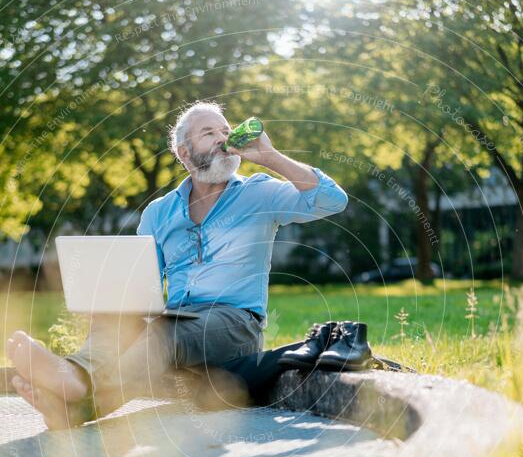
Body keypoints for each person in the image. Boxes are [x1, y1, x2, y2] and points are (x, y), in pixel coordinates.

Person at [6, 100, 348, 428]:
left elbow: (332, 200)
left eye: (225, 130)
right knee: (117, 317)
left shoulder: (258, 193)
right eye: (208, 132)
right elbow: (142, 283)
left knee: (162, 332)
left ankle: (75, 382)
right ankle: (73, 395)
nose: (222, 138)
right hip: (177, 319)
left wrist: (269, 157)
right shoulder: (159, 212)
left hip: (235, 324)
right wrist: (110, 307)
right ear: (185, 153)